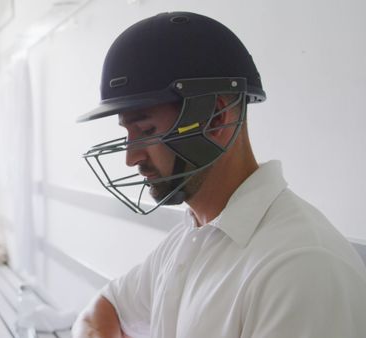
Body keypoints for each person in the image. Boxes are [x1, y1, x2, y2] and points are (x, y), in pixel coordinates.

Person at [72, 12, 366, 338]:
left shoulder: (302, 268)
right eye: (128, 132)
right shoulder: (192, 239)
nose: (131, 158)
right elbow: (102, 308)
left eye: (146, 130)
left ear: (215, 119)